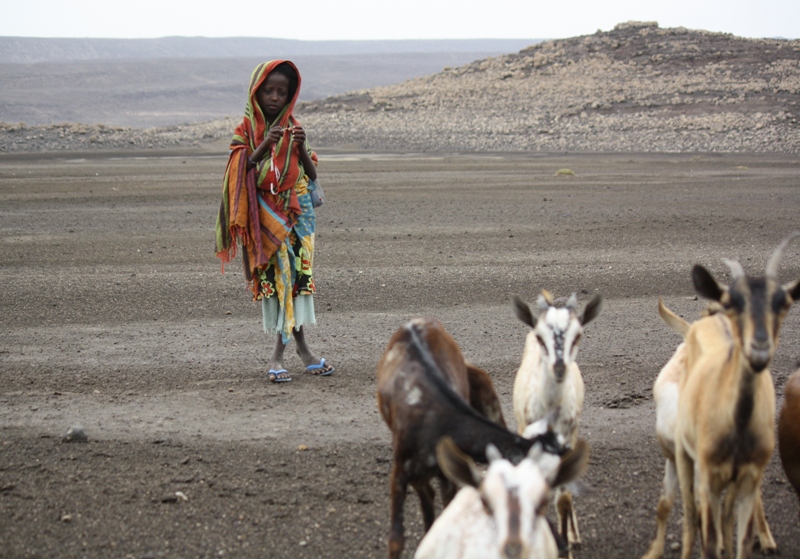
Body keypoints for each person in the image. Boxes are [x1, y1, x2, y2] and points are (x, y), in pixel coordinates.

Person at [215, 60, 334, 383]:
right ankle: (285, 356)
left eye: (282, 92)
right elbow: (240, 174)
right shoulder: (246, 131)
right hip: (265, 221)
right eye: (269, 90)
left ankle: (299, 353)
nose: (275, 97)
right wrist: (267, 144)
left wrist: (301, 148)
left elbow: (311, 175)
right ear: (257, 92)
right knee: (282, 286)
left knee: (295, 285)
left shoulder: (294, 127)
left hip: (299, 221)